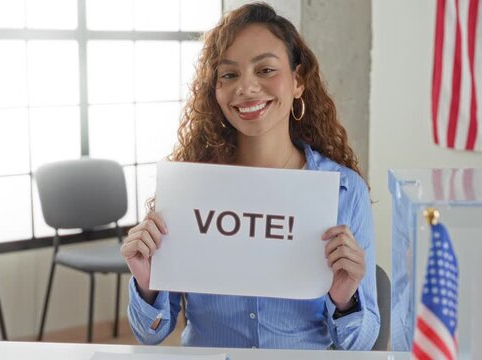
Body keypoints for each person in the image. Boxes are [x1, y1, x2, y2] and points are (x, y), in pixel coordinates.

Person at [121, 2, 379, 350]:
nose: (246, 87)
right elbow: (149, 332)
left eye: (266, 70)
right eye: (229, 75)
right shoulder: (189, 187)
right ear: (215, 91)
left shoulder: (345, 190)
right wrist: (147, 284)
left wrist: (345, 300)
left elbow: (359, 345)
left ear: (298, 81)